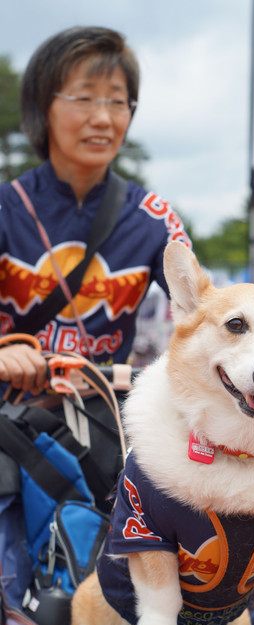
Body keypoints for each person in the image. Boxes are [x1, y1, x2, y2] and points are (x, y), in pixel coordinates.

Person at [0, 26, 191, 395]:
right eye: (84, 98)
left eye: (118, 102)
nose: (103, 119)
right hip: (10, 425)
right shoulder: (7, 208)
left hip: (107, 427)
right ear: (43, 106)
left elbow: (207, 312)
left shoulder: (152, 218)